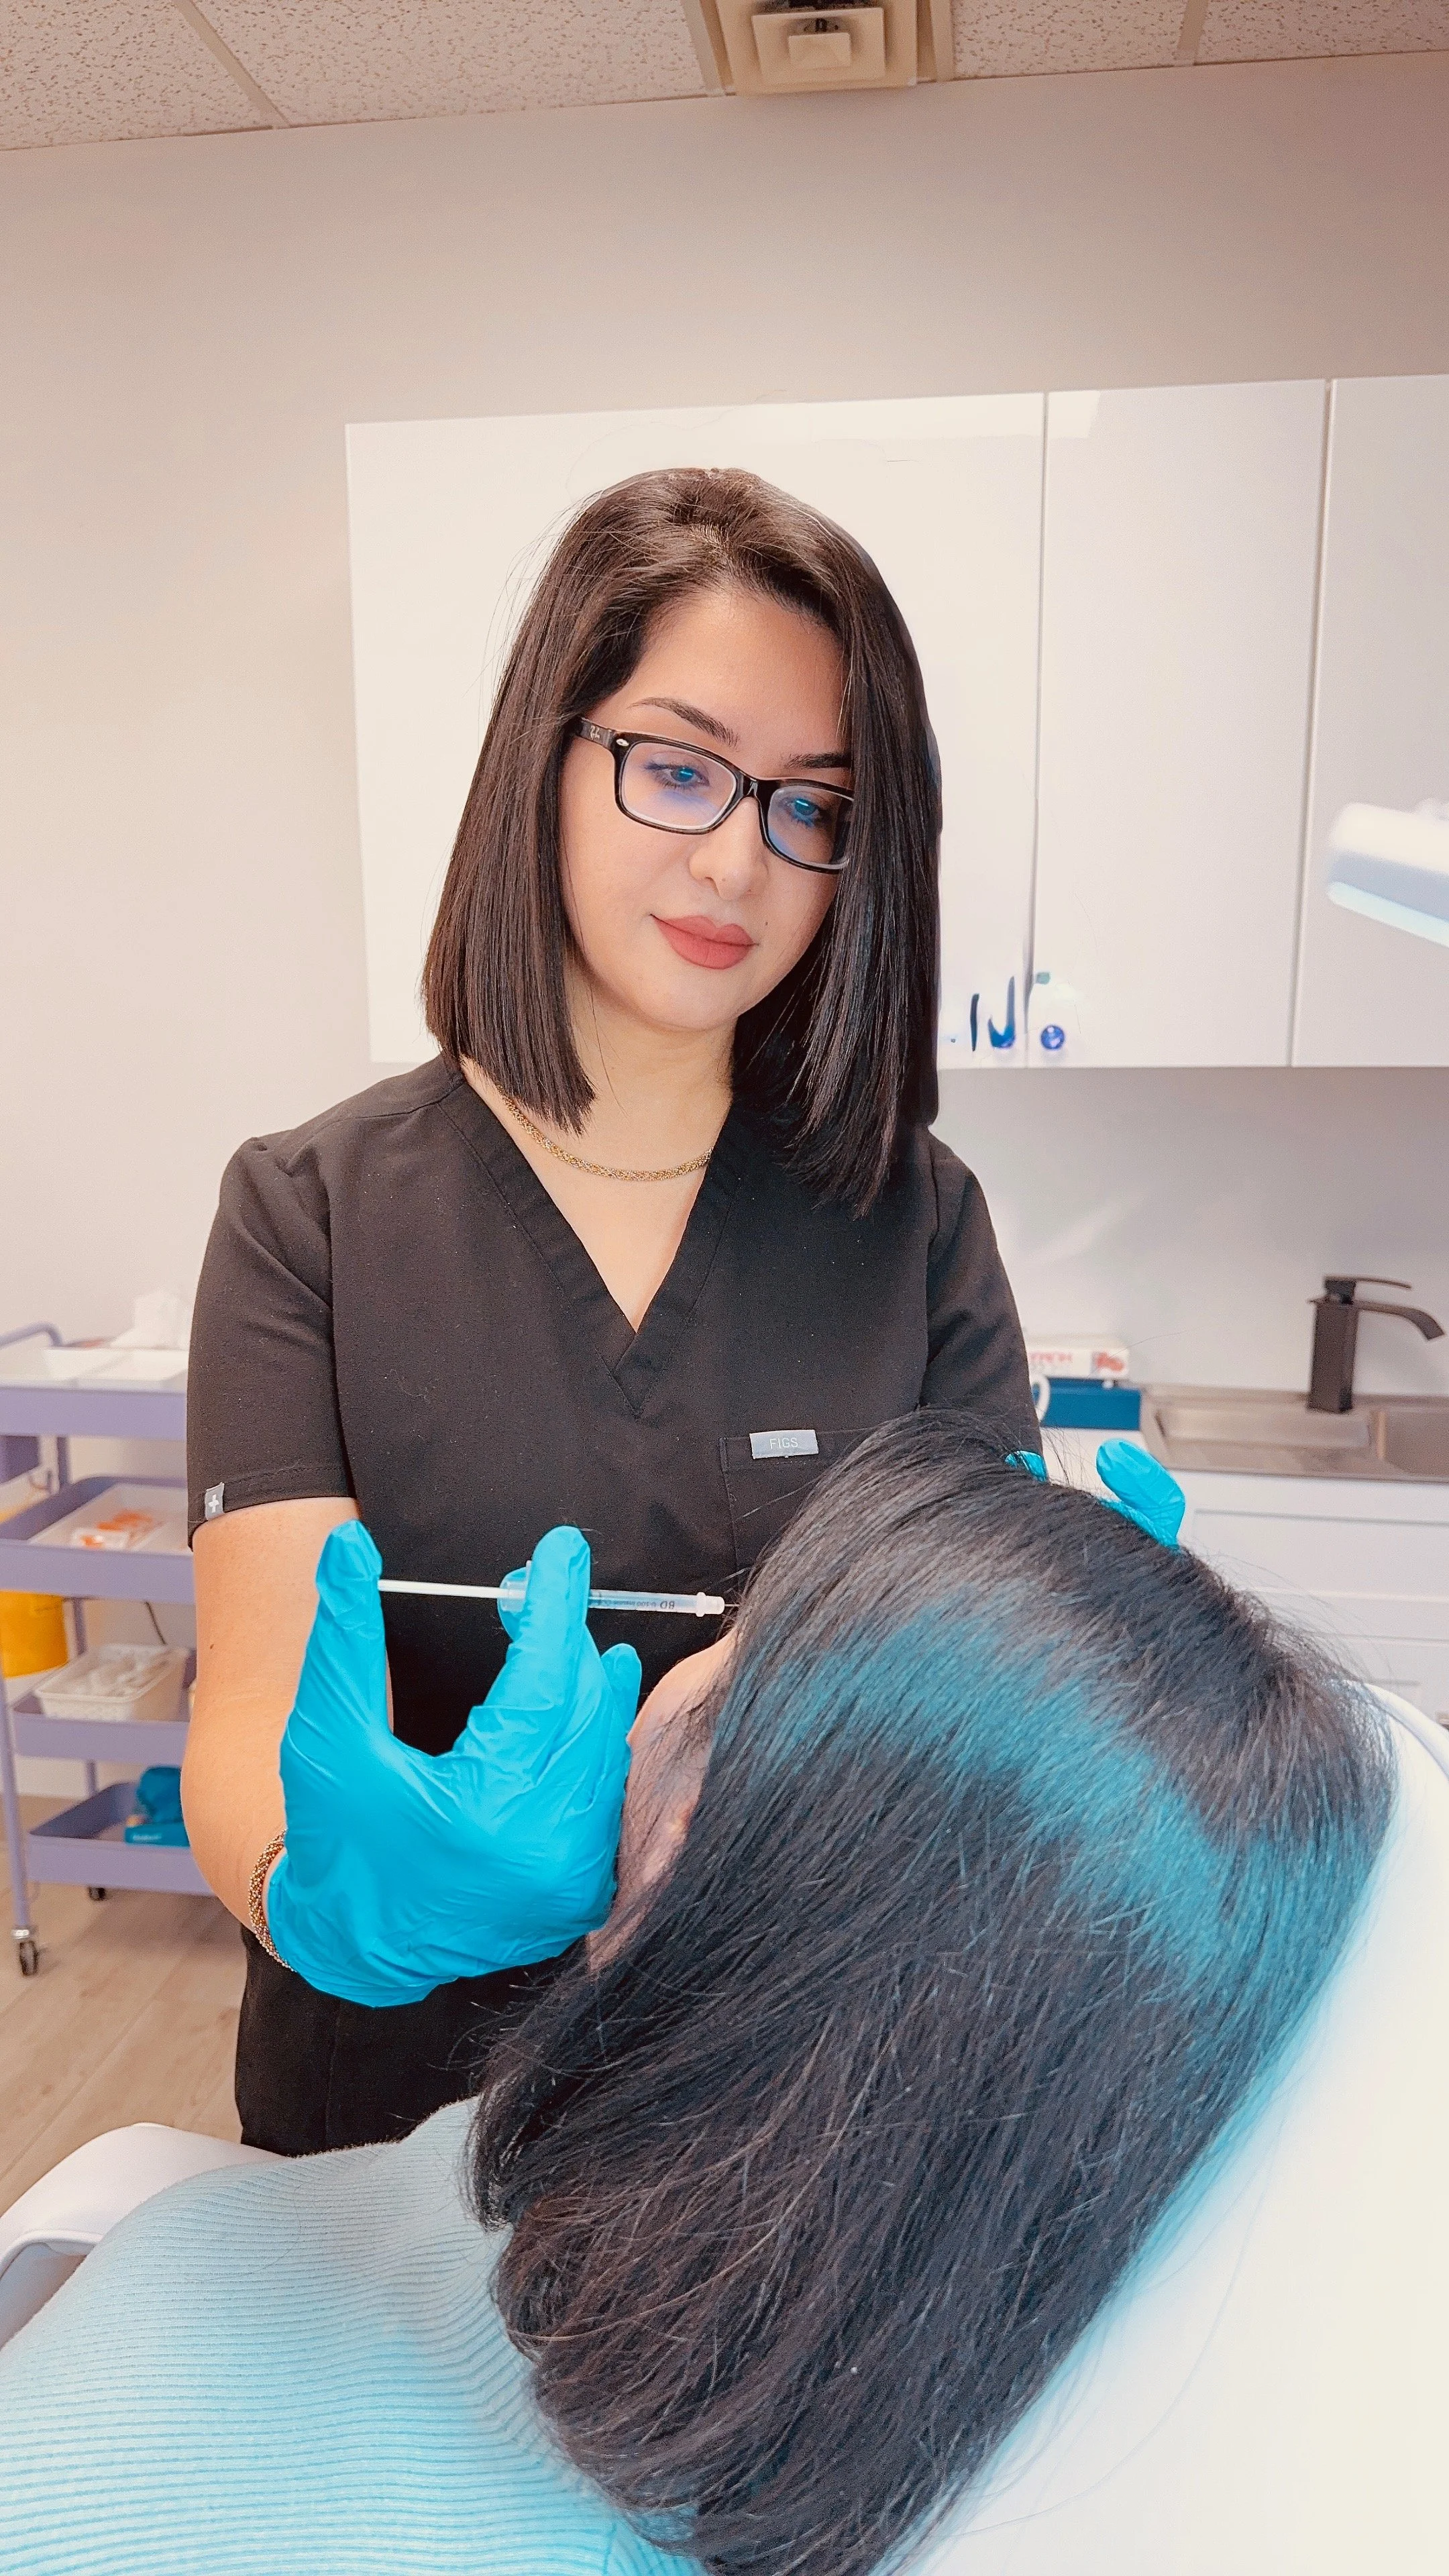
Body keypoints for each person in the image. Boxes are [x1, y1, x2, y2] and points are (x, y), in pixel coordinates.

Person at [0, 1415, 1400, 2576]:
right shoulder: (851, 2283)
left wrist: (1062, 1711)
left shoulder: (87, 2500)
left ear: (684, 1846)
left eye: (751, 1618)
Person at [181, 466, 1038, 2154]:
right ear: (548, 759)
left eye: (817, 807)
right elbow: (244, 1724)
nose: (741, 856)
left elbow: (985, 1700)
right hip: (390, 2126)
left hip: (790, 2129)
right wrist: (323, 1894)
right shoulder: (311, 1215)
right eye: (678, 767)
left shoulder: (914, 1221)